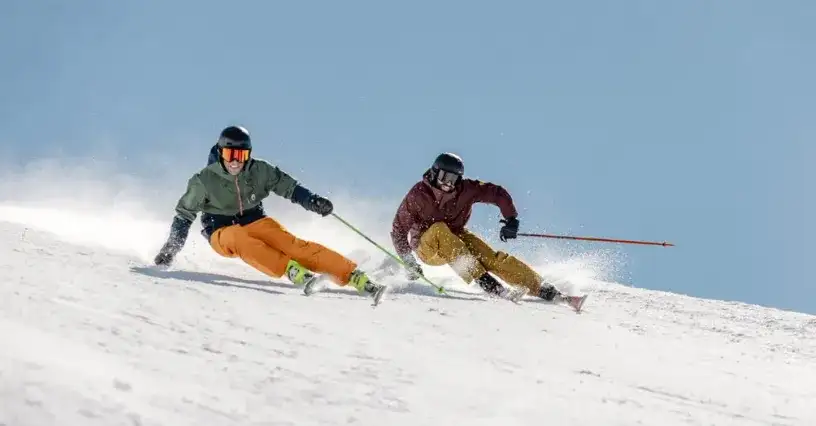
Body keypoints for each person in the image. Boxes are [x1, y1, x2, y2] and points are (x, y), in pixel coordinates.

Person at [153, 125, 386, 302]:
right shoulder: (203, 180)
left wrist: (312, 201)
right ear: (220, 152)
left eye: (241, 156)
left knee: (293, 245)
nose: (236, 162)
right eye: (230, 155)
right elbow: (184, 215)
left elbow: (289, 187)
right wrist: (171, 248)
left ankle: (353, 275)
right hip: (220, 231)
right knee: (240, 237)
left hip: (256, 219)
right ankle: (290, 269)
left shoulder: (259, 170)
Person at [390, 152, 567, 304]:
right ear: (435, 173)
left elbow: (497, 193)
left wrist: (511, 218)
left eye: (453, 179)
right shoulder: (418, 194)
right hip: (427, 247)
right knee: (439, 229)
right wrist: (409, 261)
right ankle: (486, 282)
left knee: (491, 257)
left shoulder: (466, 189)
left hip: (456, 237)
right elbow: (398, 229)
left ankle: (544, 289)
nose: (448, 183)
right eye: (444, 177)